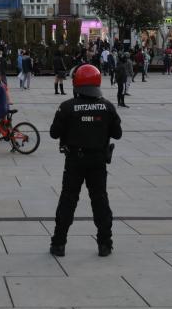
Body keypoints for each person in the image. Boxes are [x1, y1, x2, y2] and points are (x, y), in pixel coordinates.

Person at [49, 64, 122, 257]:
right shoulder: (107, 106)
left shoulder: (67, 107)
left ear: (76, 84)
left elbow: (53, 133)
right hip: (98, 160)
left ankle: (59, 243)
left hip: (75, 160)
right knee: (100, 201)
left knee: (68, 200)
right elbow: (118, 133)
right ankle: (105, 244)